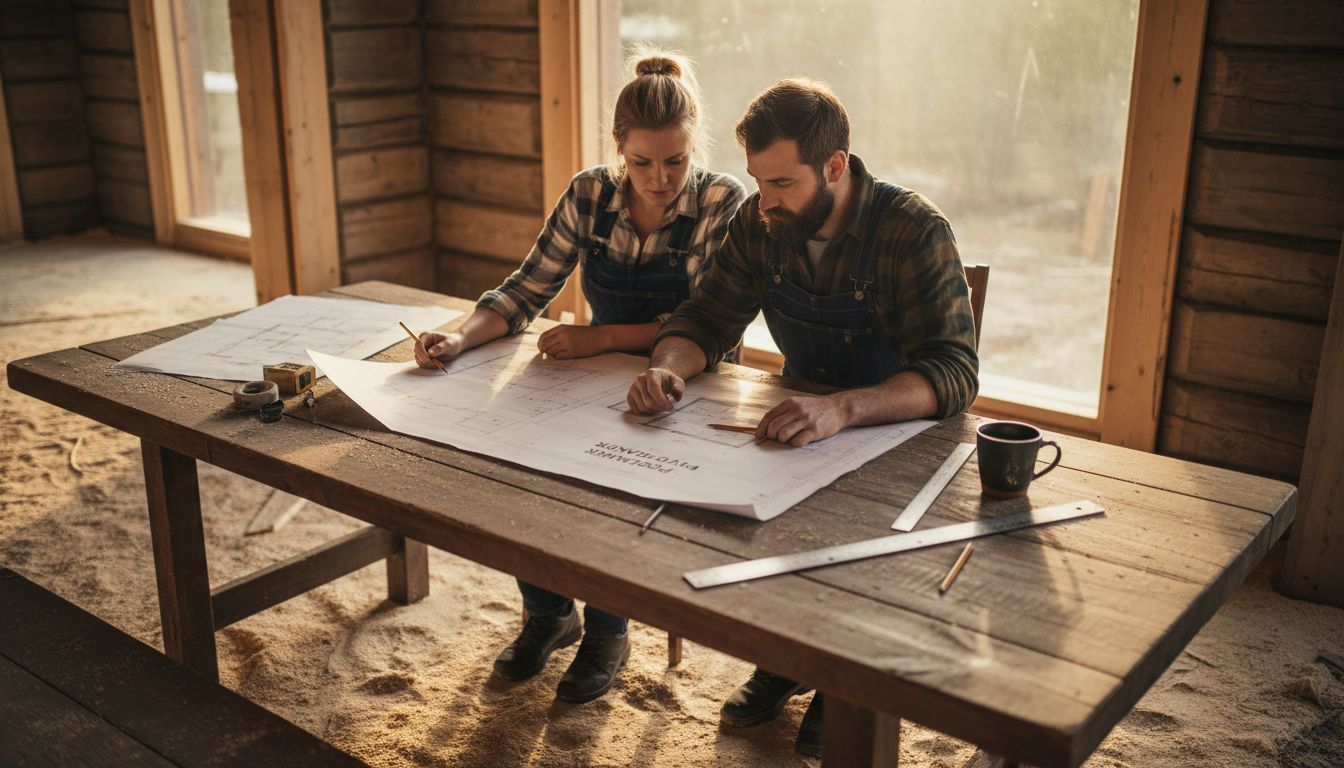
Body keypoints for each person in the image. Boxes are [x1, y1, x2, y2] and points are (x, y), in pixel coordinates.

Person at [625, 79, 979, 756]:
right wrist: (670, 364)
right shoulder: (763, 225)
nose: (766, 201)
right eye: (759, 181)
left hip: (901, 439)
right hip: (800, 426)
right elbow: (705, 319)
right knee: (743, 505)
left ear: (836, 167)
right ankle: (787, 658)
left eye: (782, 182)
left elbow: (955, 373)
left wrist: (844, 407)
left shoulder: (913, 231)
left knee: (859, 533)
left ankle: (845, 681)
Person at [412, 49, 745, 705]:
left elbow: (709, 323)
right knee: (514, 455)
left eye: (674, 161)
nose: (659, 179)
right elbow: (525, 290)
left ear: (692, 146)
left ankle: (607, 630)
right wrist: (458, 337)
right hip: (591, 379)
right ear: (618, 150)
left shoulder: (720, 200)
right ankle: (548, 612)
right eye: (642, 162)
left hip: (688, 383)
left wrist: (602, 338)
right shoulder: (590, 192)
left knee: (610, 481)